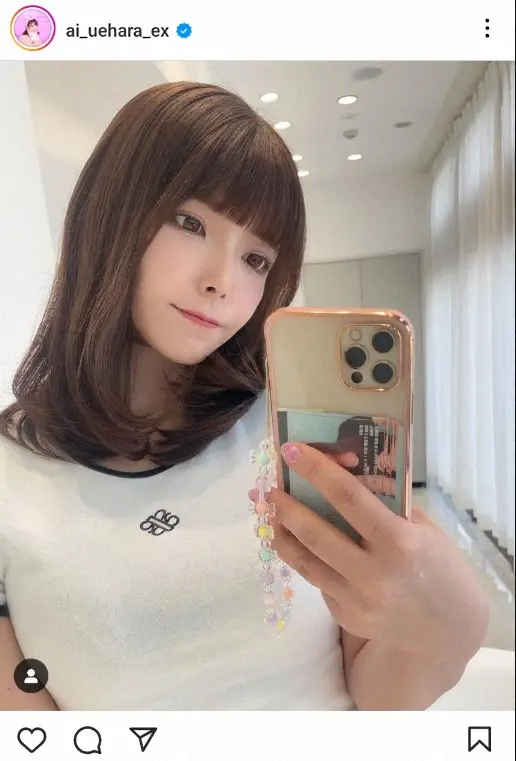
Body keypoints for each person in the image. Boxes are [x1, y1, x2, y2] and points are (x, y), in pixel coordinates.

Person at [0, 82, 488, 711]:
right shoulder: (12, 475)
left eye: (257, 259)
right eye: (189, 223)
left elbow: (374, 697)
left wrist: (447, 635)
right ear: (107, 214)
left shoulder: (294, 433)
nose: (222, 281)